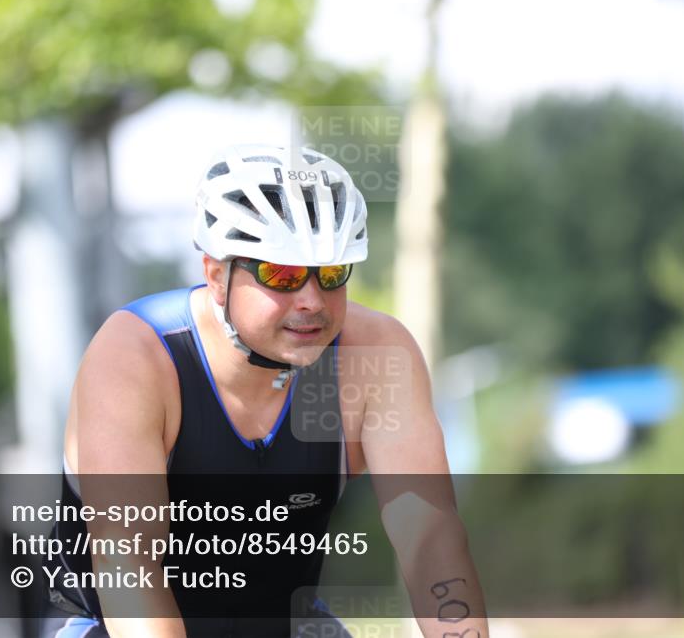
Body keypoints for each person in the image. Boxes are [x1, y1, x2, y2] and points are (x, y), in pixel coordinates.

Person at [41, 145, 488, 637]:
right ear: (217, 274)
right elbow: (128, 568)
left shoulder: (374, 355)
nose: (312, 301)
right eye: (283, 275)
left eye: (332, 274)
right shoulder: (135, 357)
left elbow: (429, 535)